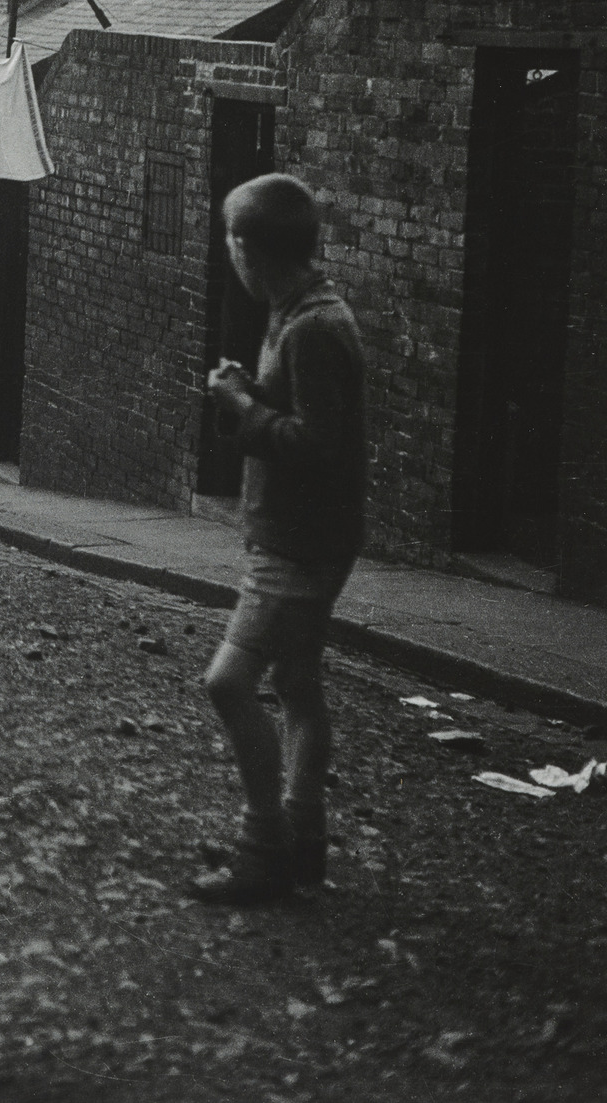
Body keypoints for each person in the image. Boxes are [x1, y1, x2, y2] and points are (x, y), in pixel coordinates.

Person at [194, 173, 367, 906]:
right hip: (301, 535)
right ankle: (302, 834)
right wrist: (255, 396)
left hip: (297, 543)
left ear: (248, 247)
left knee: (228, 683)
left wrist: (241, 408)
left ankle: (263, 845)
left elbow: (320, 443)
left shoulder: (310, 328)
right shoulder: (300, 312)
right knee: (298, 687)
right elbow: (305, 417)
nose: (231, 256)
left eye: (232, 242)